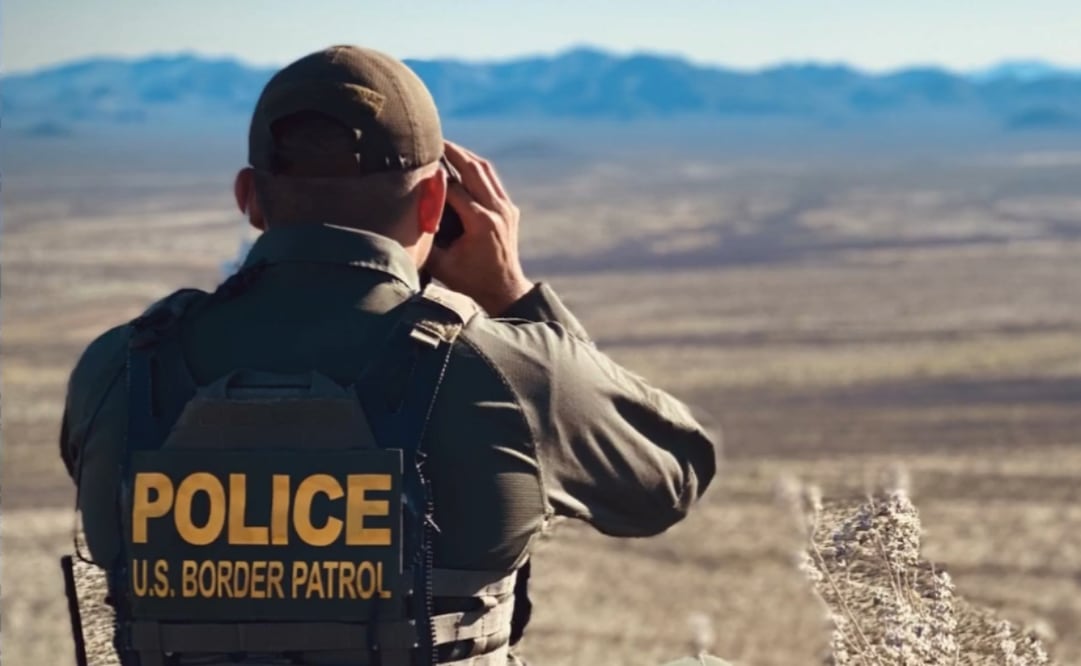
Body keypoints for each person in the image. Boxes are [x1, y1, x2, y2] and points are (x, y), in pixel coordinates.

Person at [59, 44, 720, 666]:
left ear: (249, 199)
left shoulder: (120, 365)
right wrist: (514, 300)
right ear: (436, 201)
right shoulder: (505, 371)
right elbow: (667, 479)